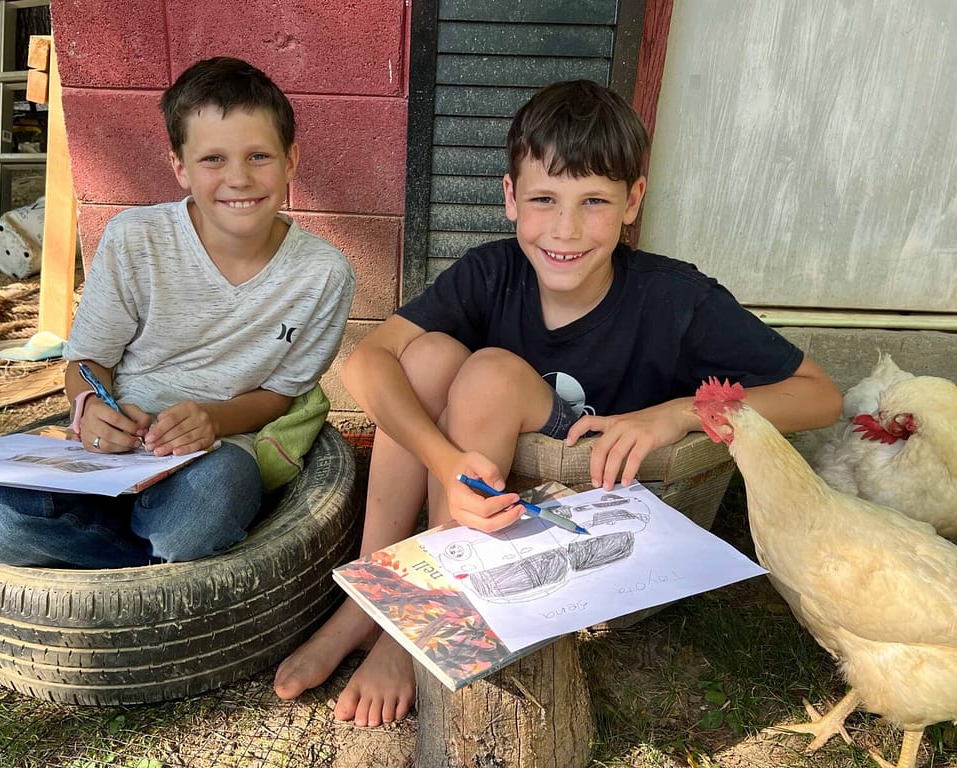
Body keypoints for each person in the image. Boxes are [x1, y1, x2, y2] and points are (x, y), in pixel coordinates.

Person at [273, 79, 842, 726]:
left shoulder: (676, 299)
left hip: (590, 511)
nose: (566, 230)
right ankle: (373, 594)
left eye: (594, 201)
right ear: (510, 197)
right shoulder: (492, 271)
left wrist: (678, 413)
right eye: (545, 199)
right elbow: (368, 361)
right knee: (426, 357)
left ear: (633, 201)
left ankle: (423, 618)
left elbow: (819, 396)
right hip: (481, 493)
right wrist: (446, 463)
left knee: (486, 372)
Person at [0, 57, 355, 569]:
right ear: (180, 167)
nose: (238, 178)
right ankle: (153, 564)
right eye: (213, 159)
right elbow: (86, 362)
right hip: (116, 444)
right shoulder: (136, 238)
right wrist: (89, 411)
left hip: (213, 451)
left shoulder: (324, 275)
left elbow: (281, 394)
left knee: (204, 507)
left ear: (291, 160)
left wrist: (211, 419)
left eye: (259, 155)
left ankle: (131, 551)